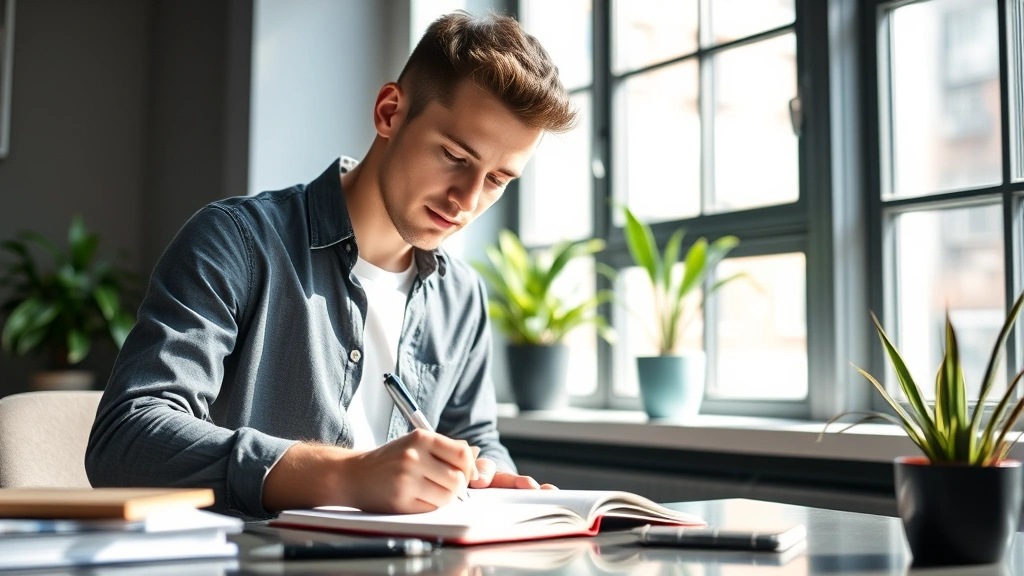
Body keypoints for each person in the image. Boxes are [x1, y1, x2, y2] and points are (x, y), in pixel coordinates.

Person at [85, 11, 576, 520]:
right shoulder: (235, 242)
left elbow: (474, 439)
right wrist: (347, 476)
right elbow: (126, 437)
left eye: (497, 180)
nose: (467, 201)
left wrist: (490, 477)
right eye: (454, 155)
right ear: (389, 112)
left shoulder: (462, 297)